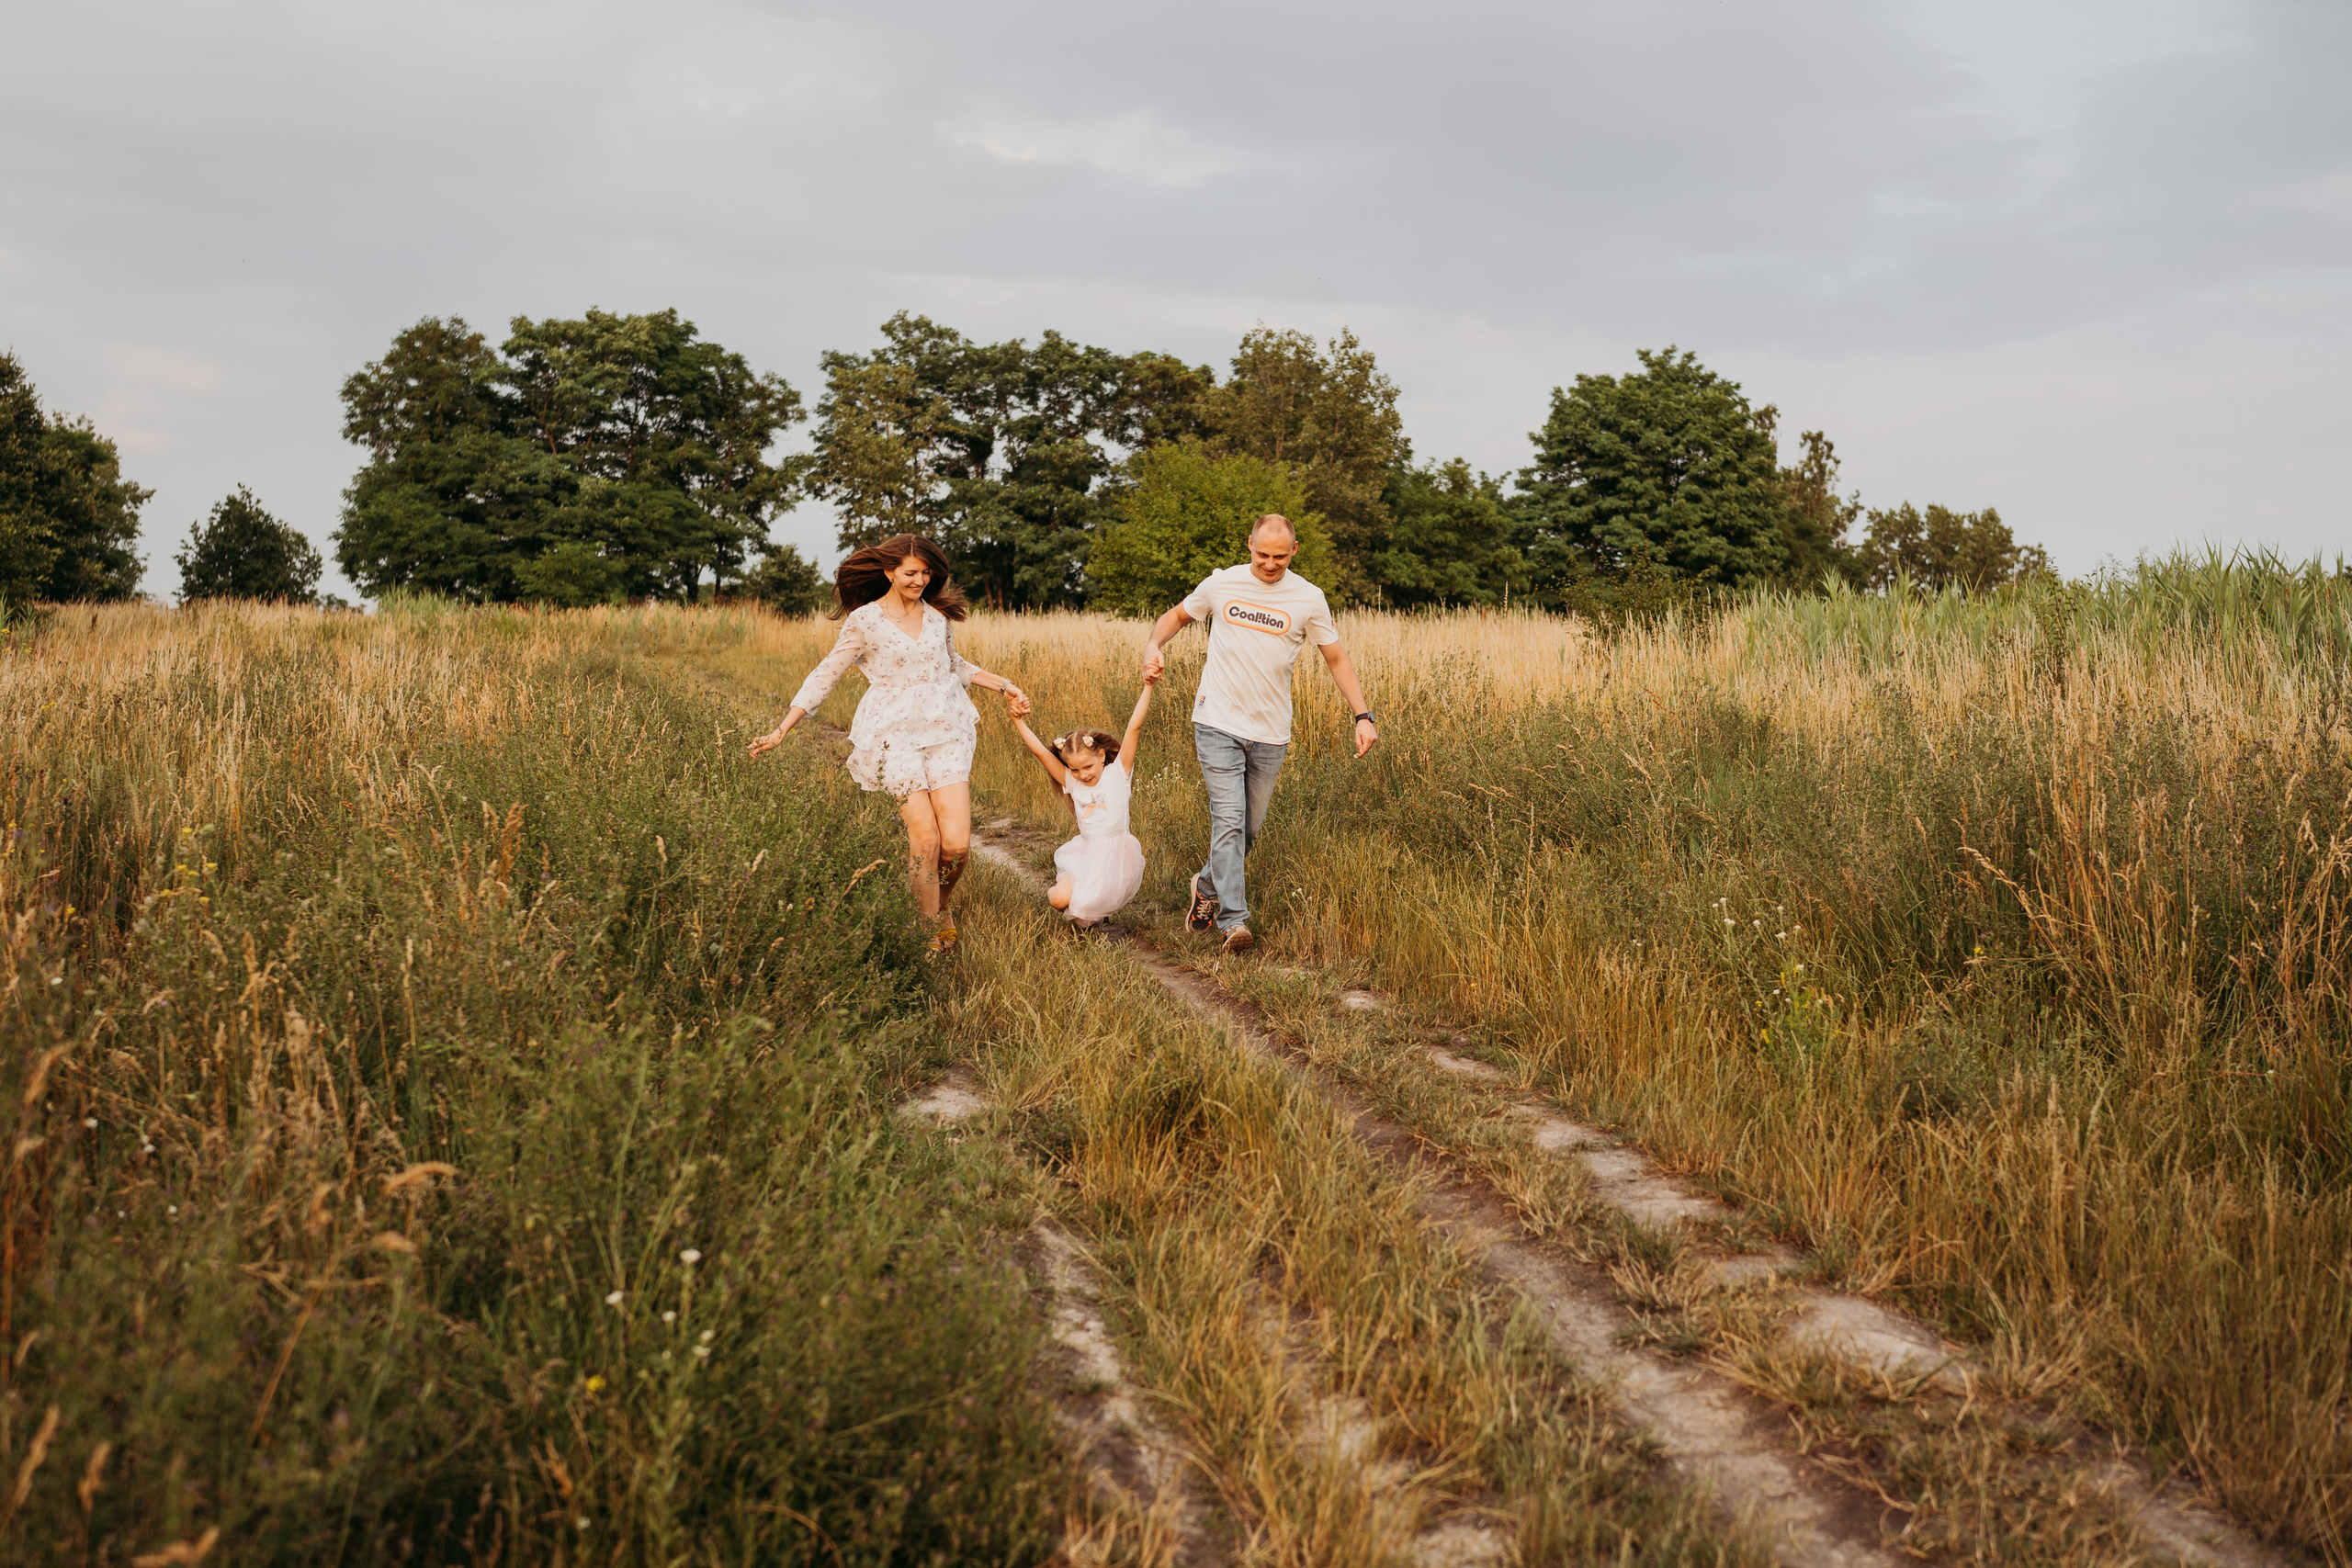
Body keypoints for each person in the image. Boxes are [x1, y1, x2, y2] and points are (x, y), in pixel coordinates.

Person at [747, 534, 1027, 953]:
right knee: (926, 840)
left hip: (946, 730)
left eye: (926, 573)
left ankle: (941, 906)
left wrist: (1004, 686)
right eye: (911, 573)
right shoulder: (864, 621)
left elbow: (954, 666)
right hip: (892, 737)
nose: (919, 580)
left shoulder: (937, 618)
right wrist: (783, 728)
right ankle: (928, 935)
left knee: (956, 846)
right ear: (889, 572)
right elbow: (826, 673)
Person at [1139, 514, 1378, 954]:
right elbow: (1173, 618)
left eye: (1280, 556)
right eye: (1262, 554)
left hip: (1271, 732)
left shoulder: (1309, 598)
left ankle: (1207, 886)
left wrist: (1363, 715)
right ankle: (1235, 923)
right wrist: (1153, 646)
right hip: (1217, 723)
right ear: (1249, 544)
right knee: (1228, 822)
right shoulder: (1221, 584)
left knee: (1246, 831)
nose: (1270, 564)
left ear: (1295, 550)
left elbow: (1337, 660)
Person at [1011, 677, 1155, 928]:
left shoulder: (1117, 773)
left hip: (1118, 855)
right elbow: (1041, 753)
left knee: (1090, 909)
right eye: (1075, 770)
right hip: (1086, 854)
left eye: (1087, 767)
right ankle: (1062, 893)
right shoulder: (1072, 781)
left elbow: (1134, 728)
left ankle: (1095, 914)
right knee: (1060, 901)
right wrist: (1017, 720)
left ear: (1101, 756)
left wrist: (1148, 686)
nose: (1083, 775)